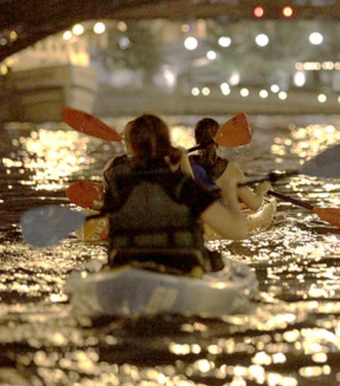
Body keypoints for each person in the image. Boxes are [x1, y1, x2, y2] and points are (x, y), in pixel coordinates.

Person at [100, 114, 249, 275]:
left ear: (131, 147)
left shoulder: (117, 187)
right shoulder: (183, 186)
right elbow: (238, 231)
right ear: (166, 143)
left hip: (126, 267)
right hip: (181, 269)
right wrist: (230, 194)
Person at [189, 117, 270, 211]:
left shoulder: (186, 164)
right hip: (220, 219)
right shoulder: (231, 170)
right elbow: (254, 205)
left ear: (196, 139)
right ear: (220, 139)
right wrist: (260, 191)